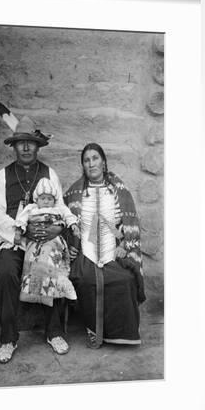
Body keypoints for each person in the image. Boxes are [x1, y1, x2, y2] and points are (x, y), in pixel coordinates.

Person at [0, 115, 71, 363]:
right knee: (5, 271)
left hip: (45, 238)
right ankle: (8, 338)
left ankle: (54, 332)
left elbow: (61, 208)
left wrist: (54, 230)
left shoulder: (49, 173)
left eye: (30, 143)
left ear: (37, 146)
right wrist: (21, 231)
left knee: (54, 266)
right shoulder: (2, 176)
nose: (25, 147)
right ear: (13, 146)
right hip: (14, 239)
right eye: (20, 143)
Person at [63, 143, 146, 348]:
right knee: (86, 279)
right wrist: (71, 245)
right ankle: (94, 329)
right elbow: (64, 221)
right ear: (83, 165)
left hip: (113, 248)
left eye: (95, 158)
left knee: (125, 279)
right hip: (86, 249)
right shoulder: (74, 193)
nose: (91, 163)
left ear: (103, 161)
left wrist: (125, 245)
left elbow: (131, 222)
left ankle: (121, 332)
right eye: (86, 160)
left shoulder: (119, 190)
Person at [14, 177, 80, 310]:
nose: (46, 201)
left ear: (54, 200)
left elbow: (68, 215)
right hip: (35, 241)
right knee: (33, 262)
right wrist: (18, 232)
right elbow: (21, 219)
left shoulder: (58, 208)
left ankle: (62, 286)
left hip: (53, 241)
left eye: (49, 199)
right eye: (43, 198)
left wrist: (73, 225)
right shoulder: (31, 208)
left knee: (50, 263)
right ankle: (32, 292)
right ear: (36, 199)